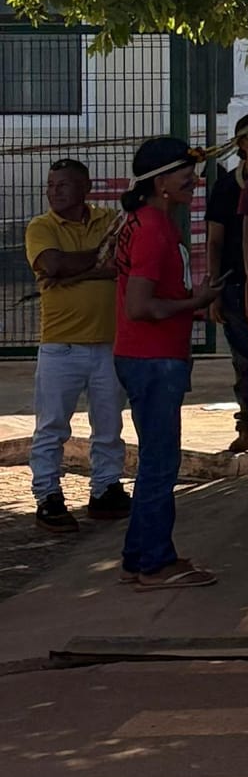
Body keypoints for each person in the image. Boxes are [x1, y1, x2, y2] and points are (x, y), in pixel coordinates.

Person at [115, 138, 223, 590]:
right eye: (185, 173)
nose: (192, 181)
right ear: (160, 182)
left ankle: (139, 555)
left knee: (155, 461)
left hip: (147, 356)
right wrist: (196, 302)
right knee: (160, 464)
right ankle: (155, 564)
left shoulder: (146, 222)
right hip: (153, 358)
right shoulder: (154, 228)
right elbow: (141, 306)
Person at [25, 158, 129, 533]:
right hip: (61, 345)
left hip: (108, 342)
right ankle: (48, 496)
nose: (54, 192)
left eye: (63, 185)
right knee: (52, 425)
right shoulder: (41, 226)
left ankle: (106, 489)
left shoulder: (109, 219)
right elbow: (53, 265)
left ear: (86, 187)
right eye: (50, 185)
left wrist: (79, 270)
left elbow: (122, 262)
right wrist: (99, 263)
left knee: (109, 424)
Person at [203, 114, 248, 453]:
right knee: (246, 359)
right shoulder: (227, 187)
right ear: (243, 147)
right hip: (236, 285)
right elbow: (215, 241)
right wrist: (215, 291)